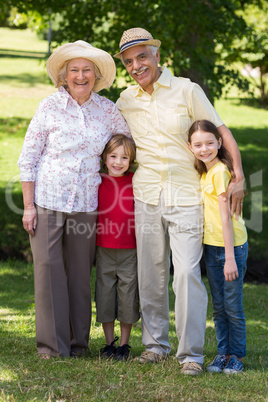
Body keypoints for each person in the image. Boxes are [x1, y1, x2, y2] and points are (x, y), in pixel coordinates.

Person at [114, 27, 245, 375]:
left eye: (142, 56)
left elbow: (221, 130)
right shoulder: (125, 100)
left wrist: (240, 176)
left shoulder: (187, 89)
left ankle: (191, 355)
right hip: (145, 196)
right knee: (150, 273)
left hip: (188, 195)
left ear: (156, 54)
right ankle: (155, 345)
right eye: (129, 61)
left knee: (186, 273)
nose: (136, 65)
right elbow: (105, 133)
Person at [18, 40, 130, 359]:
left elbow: (127, 146)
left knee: (80, 274)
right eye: (74, 70)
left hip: (86, 204)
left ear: (95, 76)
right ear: (64, 76)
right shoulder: (48, 107)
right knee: (49, 271)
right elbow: (28, 157)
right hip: (48, 200)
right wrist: (28, 207)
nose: (81, 76)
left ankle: (79, 344)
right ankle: (52, 347)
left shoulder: (107, 110)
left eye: (87, 70)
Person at [188, 120, 248, 374]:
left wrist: (231, 258)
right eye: (198, 144)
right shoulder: (204, 172)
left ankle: (237, 356)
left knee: (233, 305)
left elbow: (225, 218)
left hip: (230, 247)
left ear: (219, 143)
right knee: (219, 304)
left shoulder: (221, 172)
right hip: (212, 247)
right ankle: (222, 353)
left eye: (210, 143)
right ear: (189, 147)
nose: (204, 149)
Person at [95, 134, 139, 361]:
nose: (118, 162)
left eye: (124, 157)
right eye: (113, 156)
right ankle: (108, 343)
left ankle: (124, 344)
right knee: (105, 293)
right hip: (104, 248)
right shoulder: (97, 181)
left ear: (131, 161)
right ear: (104, 158)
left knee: (128, 295)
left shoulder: (134, 181)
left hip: (129, 248)